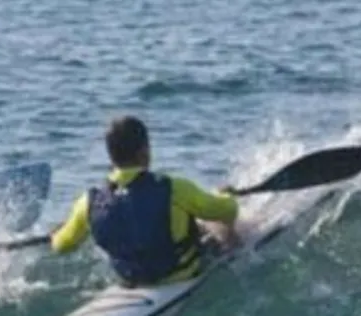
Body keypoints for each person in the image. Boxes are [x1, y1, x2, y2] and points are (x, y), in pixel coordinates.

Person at [50, 116, 242, 287]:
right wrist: (225, 195)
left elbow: (61, 246)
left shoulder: (88, 203)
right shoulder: (175, 188)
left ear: (110, 155)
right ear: (144, 152)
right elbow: (228, 210)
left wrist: (57, 233)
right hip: (180, 275)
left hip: (131, 279)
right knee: (213, 226)